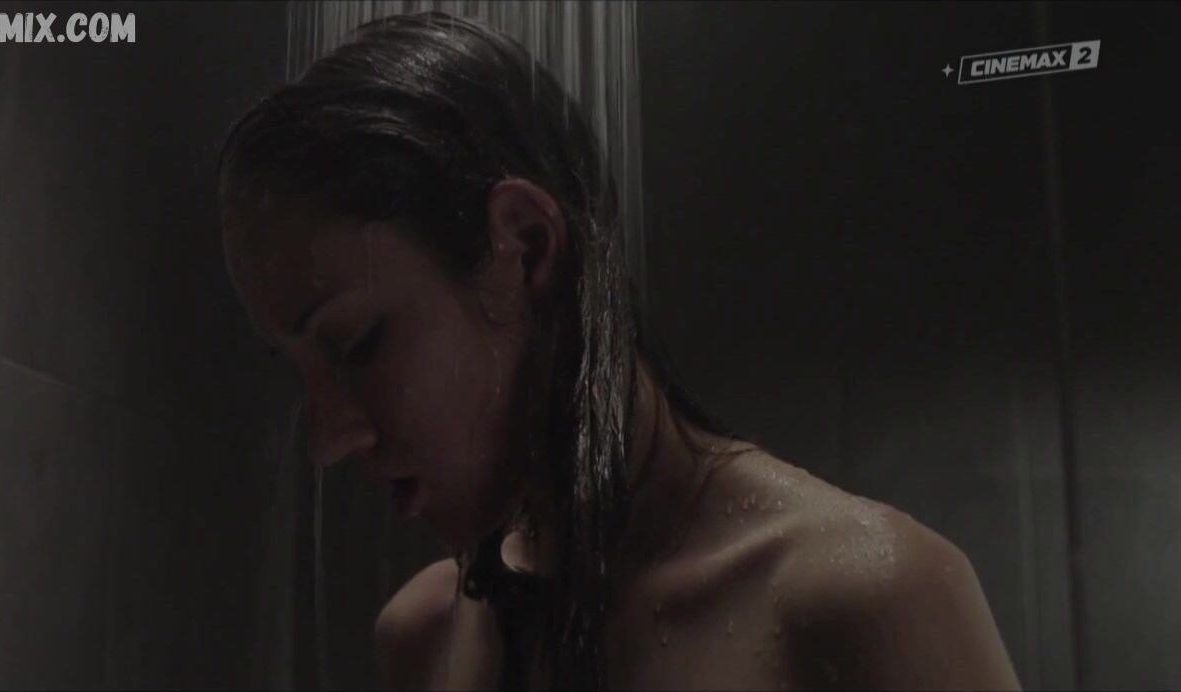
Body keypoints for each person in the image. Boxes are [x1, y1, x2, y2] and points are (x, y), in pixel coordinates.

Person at [217, 11, 1022, 691]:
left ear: (526, 247)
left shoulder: (862, 601)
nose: (327, 439)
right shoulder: (424, 637)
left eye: (358, 343)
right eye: (300, 372)